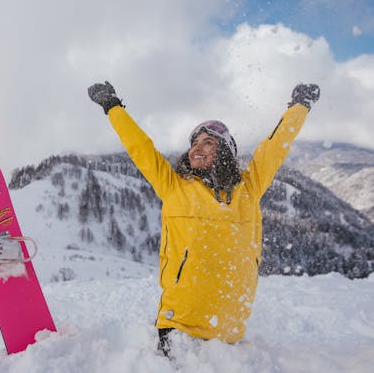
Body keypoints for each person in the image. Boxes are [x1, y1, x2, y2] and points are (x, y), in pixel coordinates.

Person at [88, 81, 320, 356]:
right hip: (179, 325)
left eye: (207, 142)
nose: (196, 148)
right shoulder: (174, 185)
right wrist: (113, 106)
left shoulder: (249, 188)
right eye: (194, 143)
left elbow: (275, 146)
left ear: (225, 151)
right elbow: (140, 147)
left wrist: (299, 106)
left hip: (230, 333)